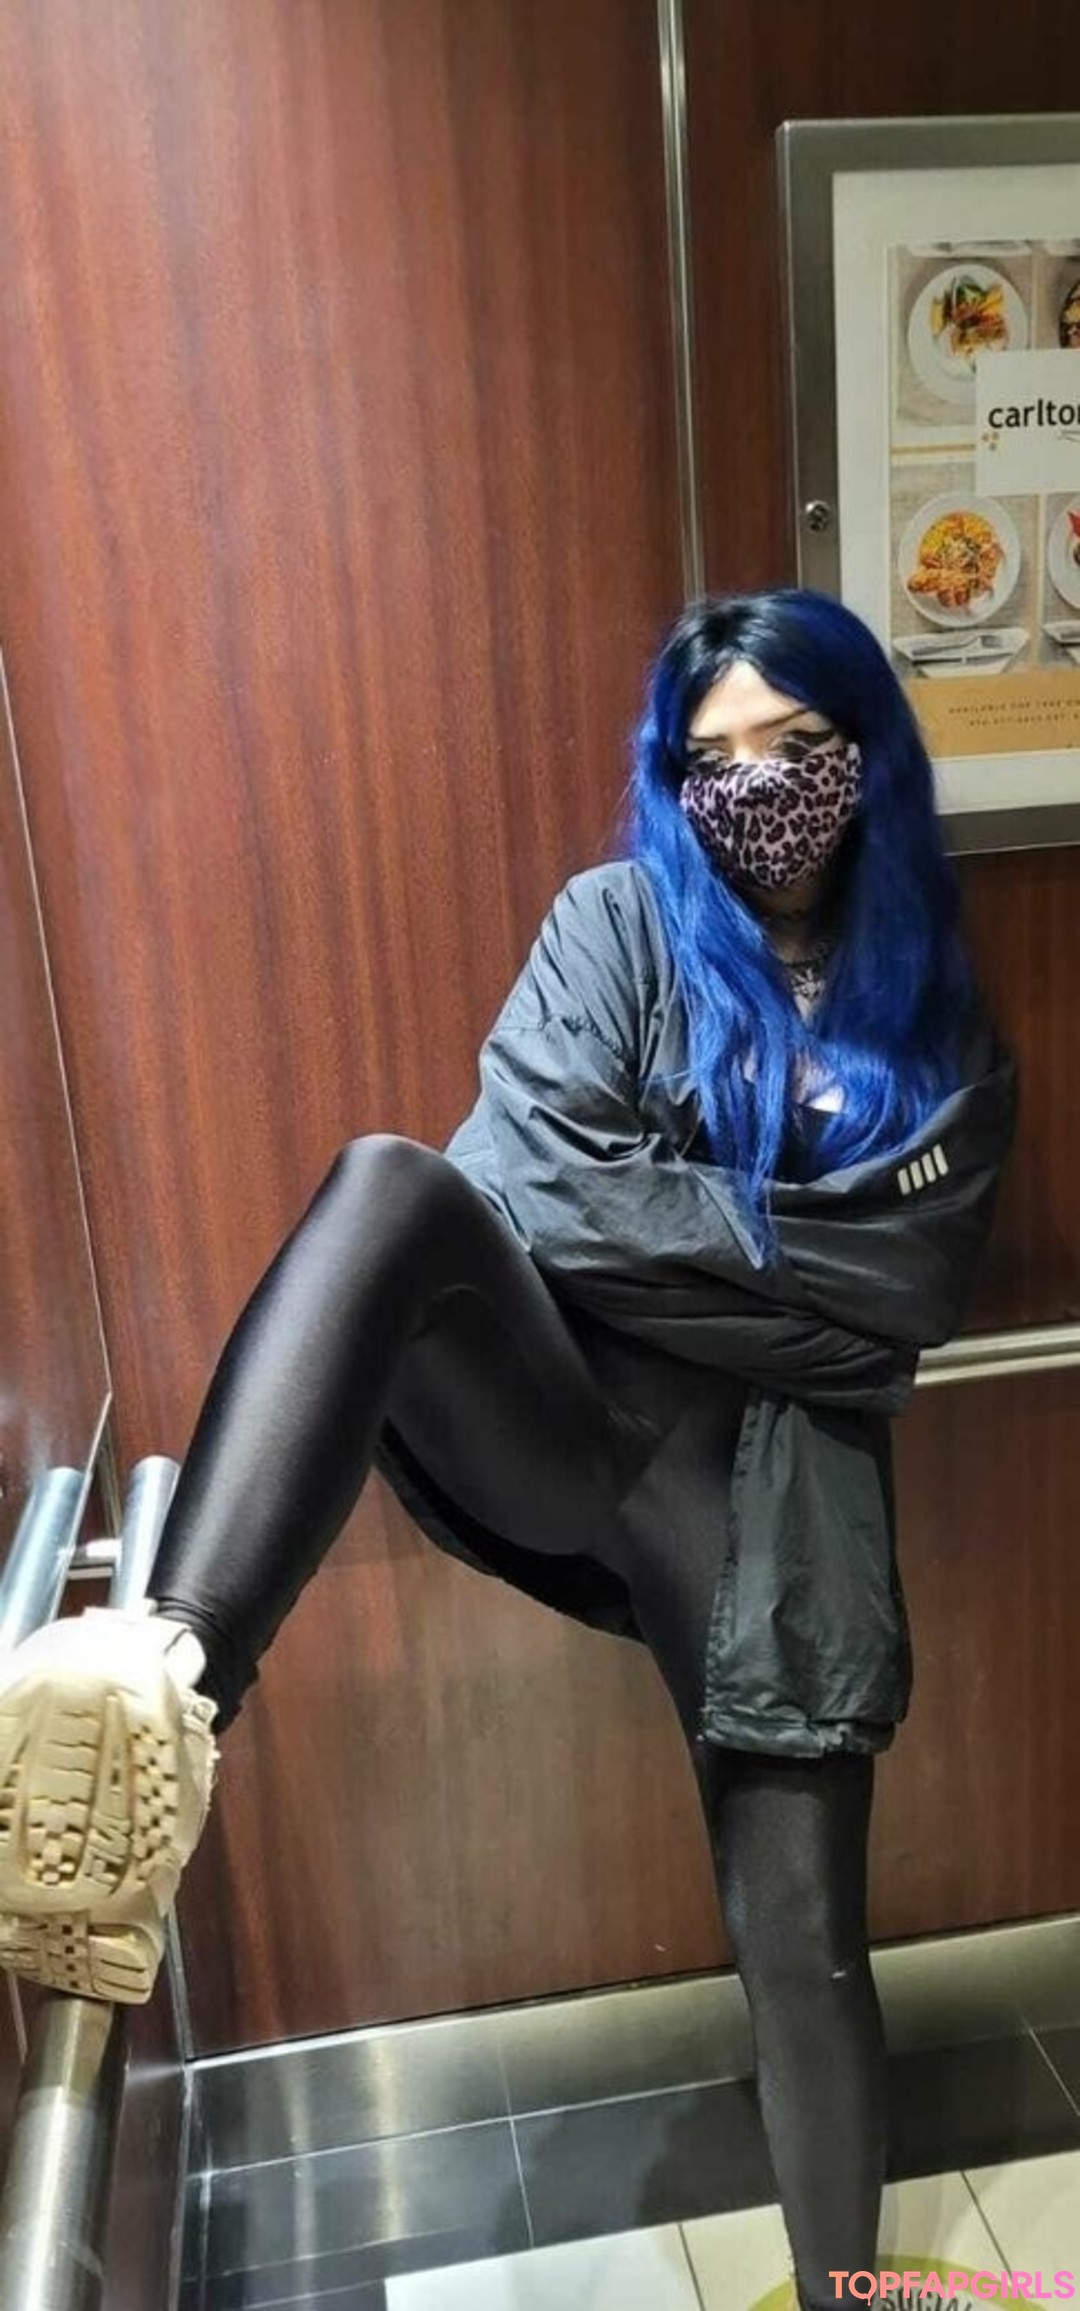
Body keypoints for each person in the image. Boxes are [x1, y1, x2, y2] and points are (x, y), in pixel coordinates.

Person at [0, 589, 1017, 2311]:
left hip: (779, 1508)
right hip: (580, 1430)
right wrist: (796, 1275)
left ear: (867, 757)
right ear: (673, 779)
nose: (759, 789)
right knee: (392, 1186)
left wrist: (677, 1237)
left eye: (797, 746)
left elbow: (912, 1285)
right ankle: (160, 1678)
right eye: (717, 761)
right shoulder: (616, 926)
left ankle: (843, 2291)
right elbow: (530, 1191)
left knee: (807, 1951)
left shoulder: (930, 992)